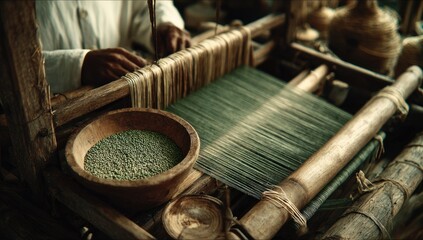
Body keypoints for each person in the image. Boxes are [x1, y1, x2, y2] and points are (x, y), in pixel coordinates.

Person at [36, 1, 191, 93]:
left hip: (130, 91)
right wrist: (77, 66)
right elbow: (13, 68)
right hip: (53, 109)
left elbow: (145, 5)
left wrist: (163, 24)